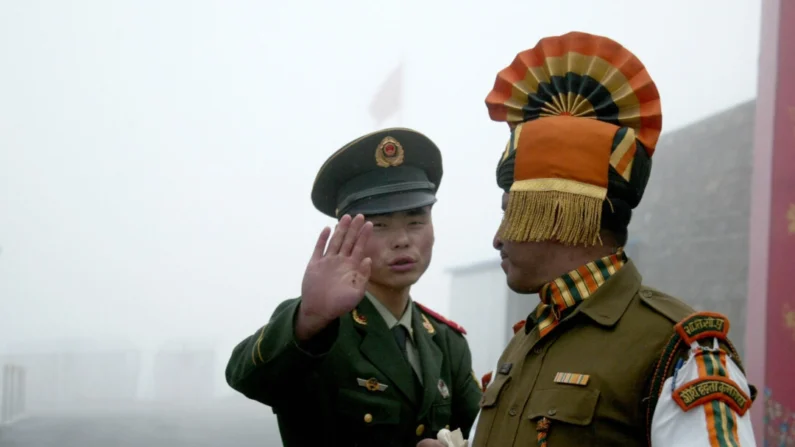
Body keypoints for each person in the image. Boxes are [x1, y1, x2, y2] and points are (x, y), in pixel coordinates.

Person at [421, 32, 758, 447]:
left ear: (560, 211)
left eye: (510, 212)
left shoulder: (679, 351)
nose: (497, 238)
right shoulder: (523, 344)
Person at [225, 128, 482, 447]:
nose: (402, 239)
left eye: (416, 221)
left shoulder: (446, 342)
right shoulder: (317, 327)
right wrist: (309, 317)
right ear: (347, 234)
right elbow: (246, 378)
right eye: (380, 225)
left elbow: (484, 433)